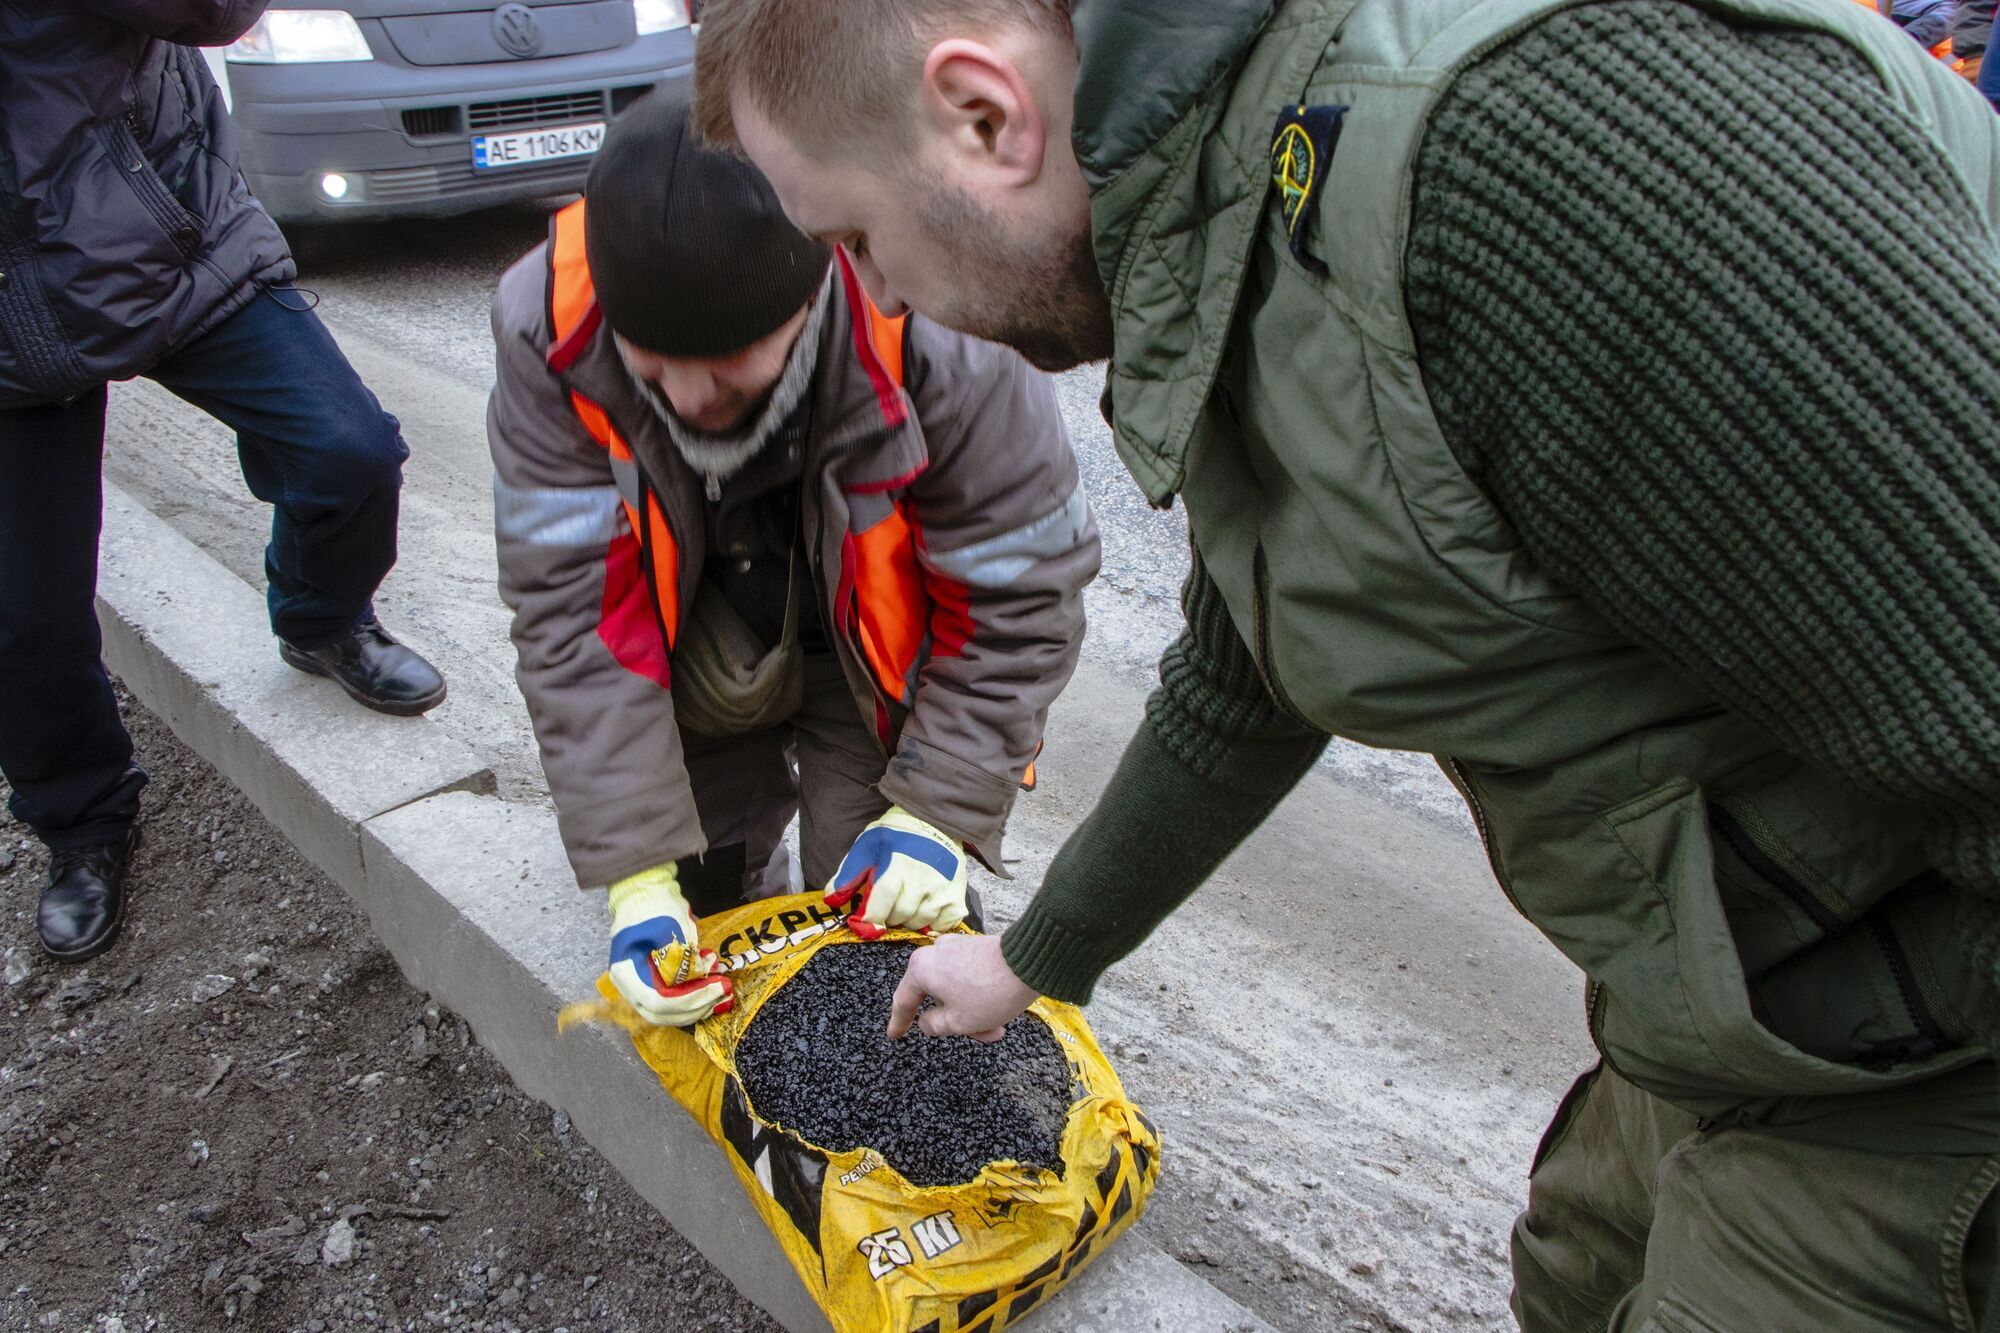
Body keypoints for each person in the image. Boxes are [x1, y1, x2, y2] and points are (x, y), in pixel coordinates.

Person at [692, 0, 2000, 1325]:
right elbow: (1254, 663)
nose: (879, 295)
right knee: (1574, 1273)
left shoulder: (1519, 164)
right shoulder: (1219, 202)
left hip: (1925, 1068)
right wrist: (1035, 956)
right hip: (1732, 1012)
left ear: (985, 115)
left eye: (856, 236)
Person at [487, 90, 1097, 1026]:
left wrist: (937, 815)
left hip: (877, 658)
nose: (690, 397)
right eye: (653, 371)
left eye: (732, 365)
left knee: (876, 932)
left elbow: (1023, 596)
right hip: (695, 644)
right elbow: (572, 611)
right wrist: (638, 871)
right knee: (708, 892)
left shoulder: (941, 322)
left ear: (815, 290)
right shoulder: (551, 328)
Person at [0, 1, 446, 966]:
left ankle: (321, 616)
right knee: (24, 621)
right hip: (8, 322)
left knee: (349, 451)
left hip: (159, 235)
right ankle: (83, 819)